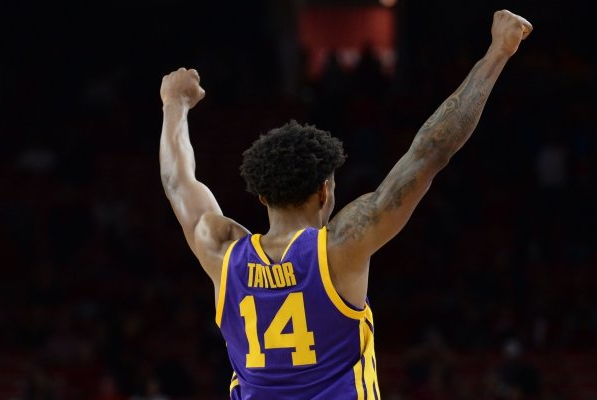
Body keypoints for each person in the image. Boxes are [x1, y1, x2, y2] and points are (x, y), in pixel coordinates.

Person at [158, 9, 532, 400]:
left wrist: (174, 104)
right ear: (325, 191)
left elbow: (176, 181)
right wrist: (497, 53)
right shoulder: (338, 247)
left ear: (263, 195)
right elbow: (429, 153)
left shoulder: (220, 249)